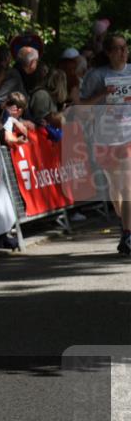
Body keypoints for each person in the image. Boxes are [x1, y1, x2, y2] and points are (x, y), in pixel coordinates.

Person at [79, 33, 131, 256]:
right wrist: (103, 95)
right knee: (116, 190)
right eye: (117, 48)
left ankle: (128, 234)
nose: (122, 52)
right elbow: (82, 109)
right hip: (105, 138)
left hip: (128, 136)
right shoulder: (97, 76)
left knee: (128, 186)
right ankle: (124, 223)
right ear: (108, 53)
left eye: (125, 47)